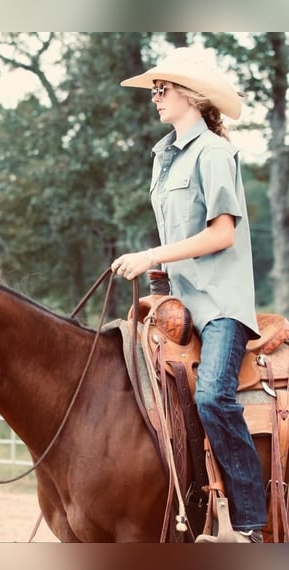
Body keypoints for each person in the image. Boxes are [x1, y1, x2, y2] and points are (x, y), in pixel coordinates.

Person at [111, 47, 266, 543]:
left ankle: (248, 525)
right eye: (154, 88)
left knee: (214, 397)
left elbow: (222, 233)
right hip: (181, 305)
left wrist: (152, 255)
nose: (155, 96)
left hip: (220, 305)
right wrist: (158, 287)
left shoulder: (216, 152)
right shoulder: (163, 158)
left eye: (163, 88)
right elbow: (173, 231)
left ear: (192, 96)